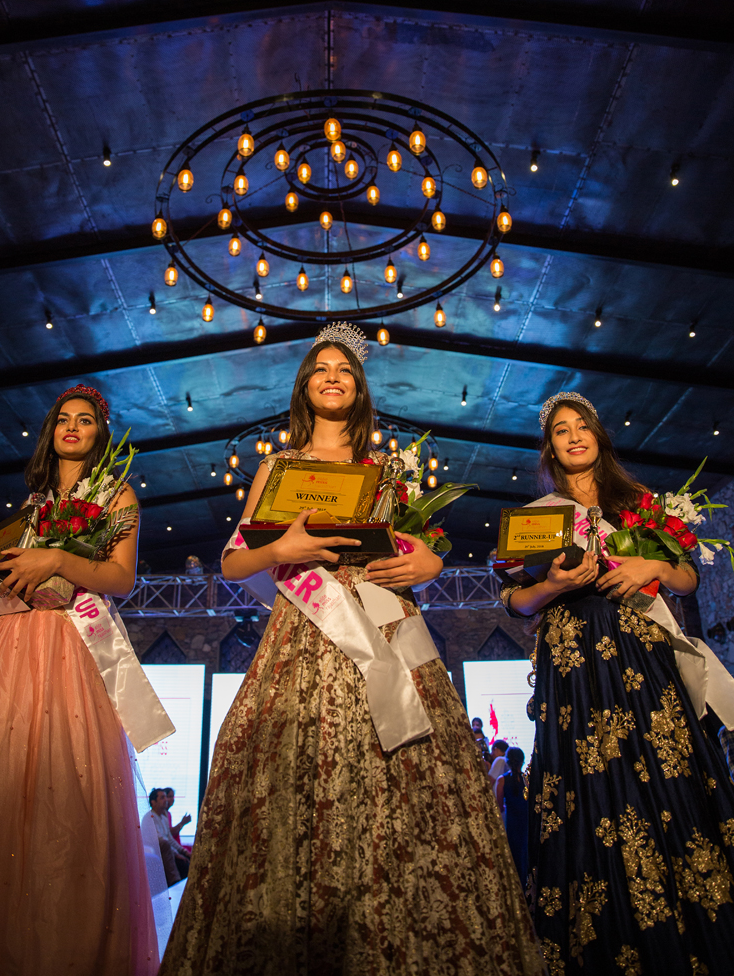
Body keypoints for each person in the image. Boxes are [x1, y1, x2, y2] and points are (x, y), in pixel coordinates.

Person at [160, 324, 544, 976]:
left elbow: (419, 548)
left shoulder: (386, 469)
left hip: (384, 620)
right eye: (321, 368)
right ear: (304, 389)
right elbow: (234, 561)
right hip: (303, 628)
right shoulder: (277, 467)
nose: (333, 375)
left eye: (345, 369)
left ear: (359, 389)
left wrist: (426, 560)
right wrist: (285, 550)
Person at [498, 391, 734, 976]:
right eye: (560, 431)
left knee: (662, 773)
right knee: (586, 788)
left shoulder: (641, 504)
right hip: (573, 666)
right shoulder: (538, 517)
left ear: (599, 436)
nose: (574, 436)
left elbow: (683, 581)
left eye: (582, 427)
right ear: (549, 449)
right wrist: (551, 585)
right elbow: (516, 603)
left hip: (640, 656)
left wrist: (651, 566)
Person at [0, 386, 159, 976]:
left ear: (100, 434)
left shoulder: (117, 495)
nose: (73, 427)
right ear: (51, 430)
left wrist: (58, 560)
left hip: (72, 643)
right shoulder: (33, 503)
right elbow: (10, 577)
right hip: (9, 643)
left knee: (65, 790)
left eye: (85, 420)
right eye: (64, 419)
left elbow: (119, 578)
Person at [495, 746, 527, 886]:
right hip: (526, 822)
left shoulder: (502, 780)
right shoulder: (527, 779)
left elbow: (499, 806)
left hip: (511, 821)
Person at [143, 789, 189, 886]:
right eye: (162, 798)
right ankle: (174, 882)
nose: (166, 800)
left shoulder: (164, 818)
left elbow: (170, 838)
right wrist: (176, 854)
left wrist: (184, 852)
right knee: (166, 845)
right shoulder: (149, 818)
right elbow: (160, 840)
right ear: (153, 802)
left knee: (186, 861)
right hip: (155, 849)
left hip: (167, 850)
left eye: (166, 797)